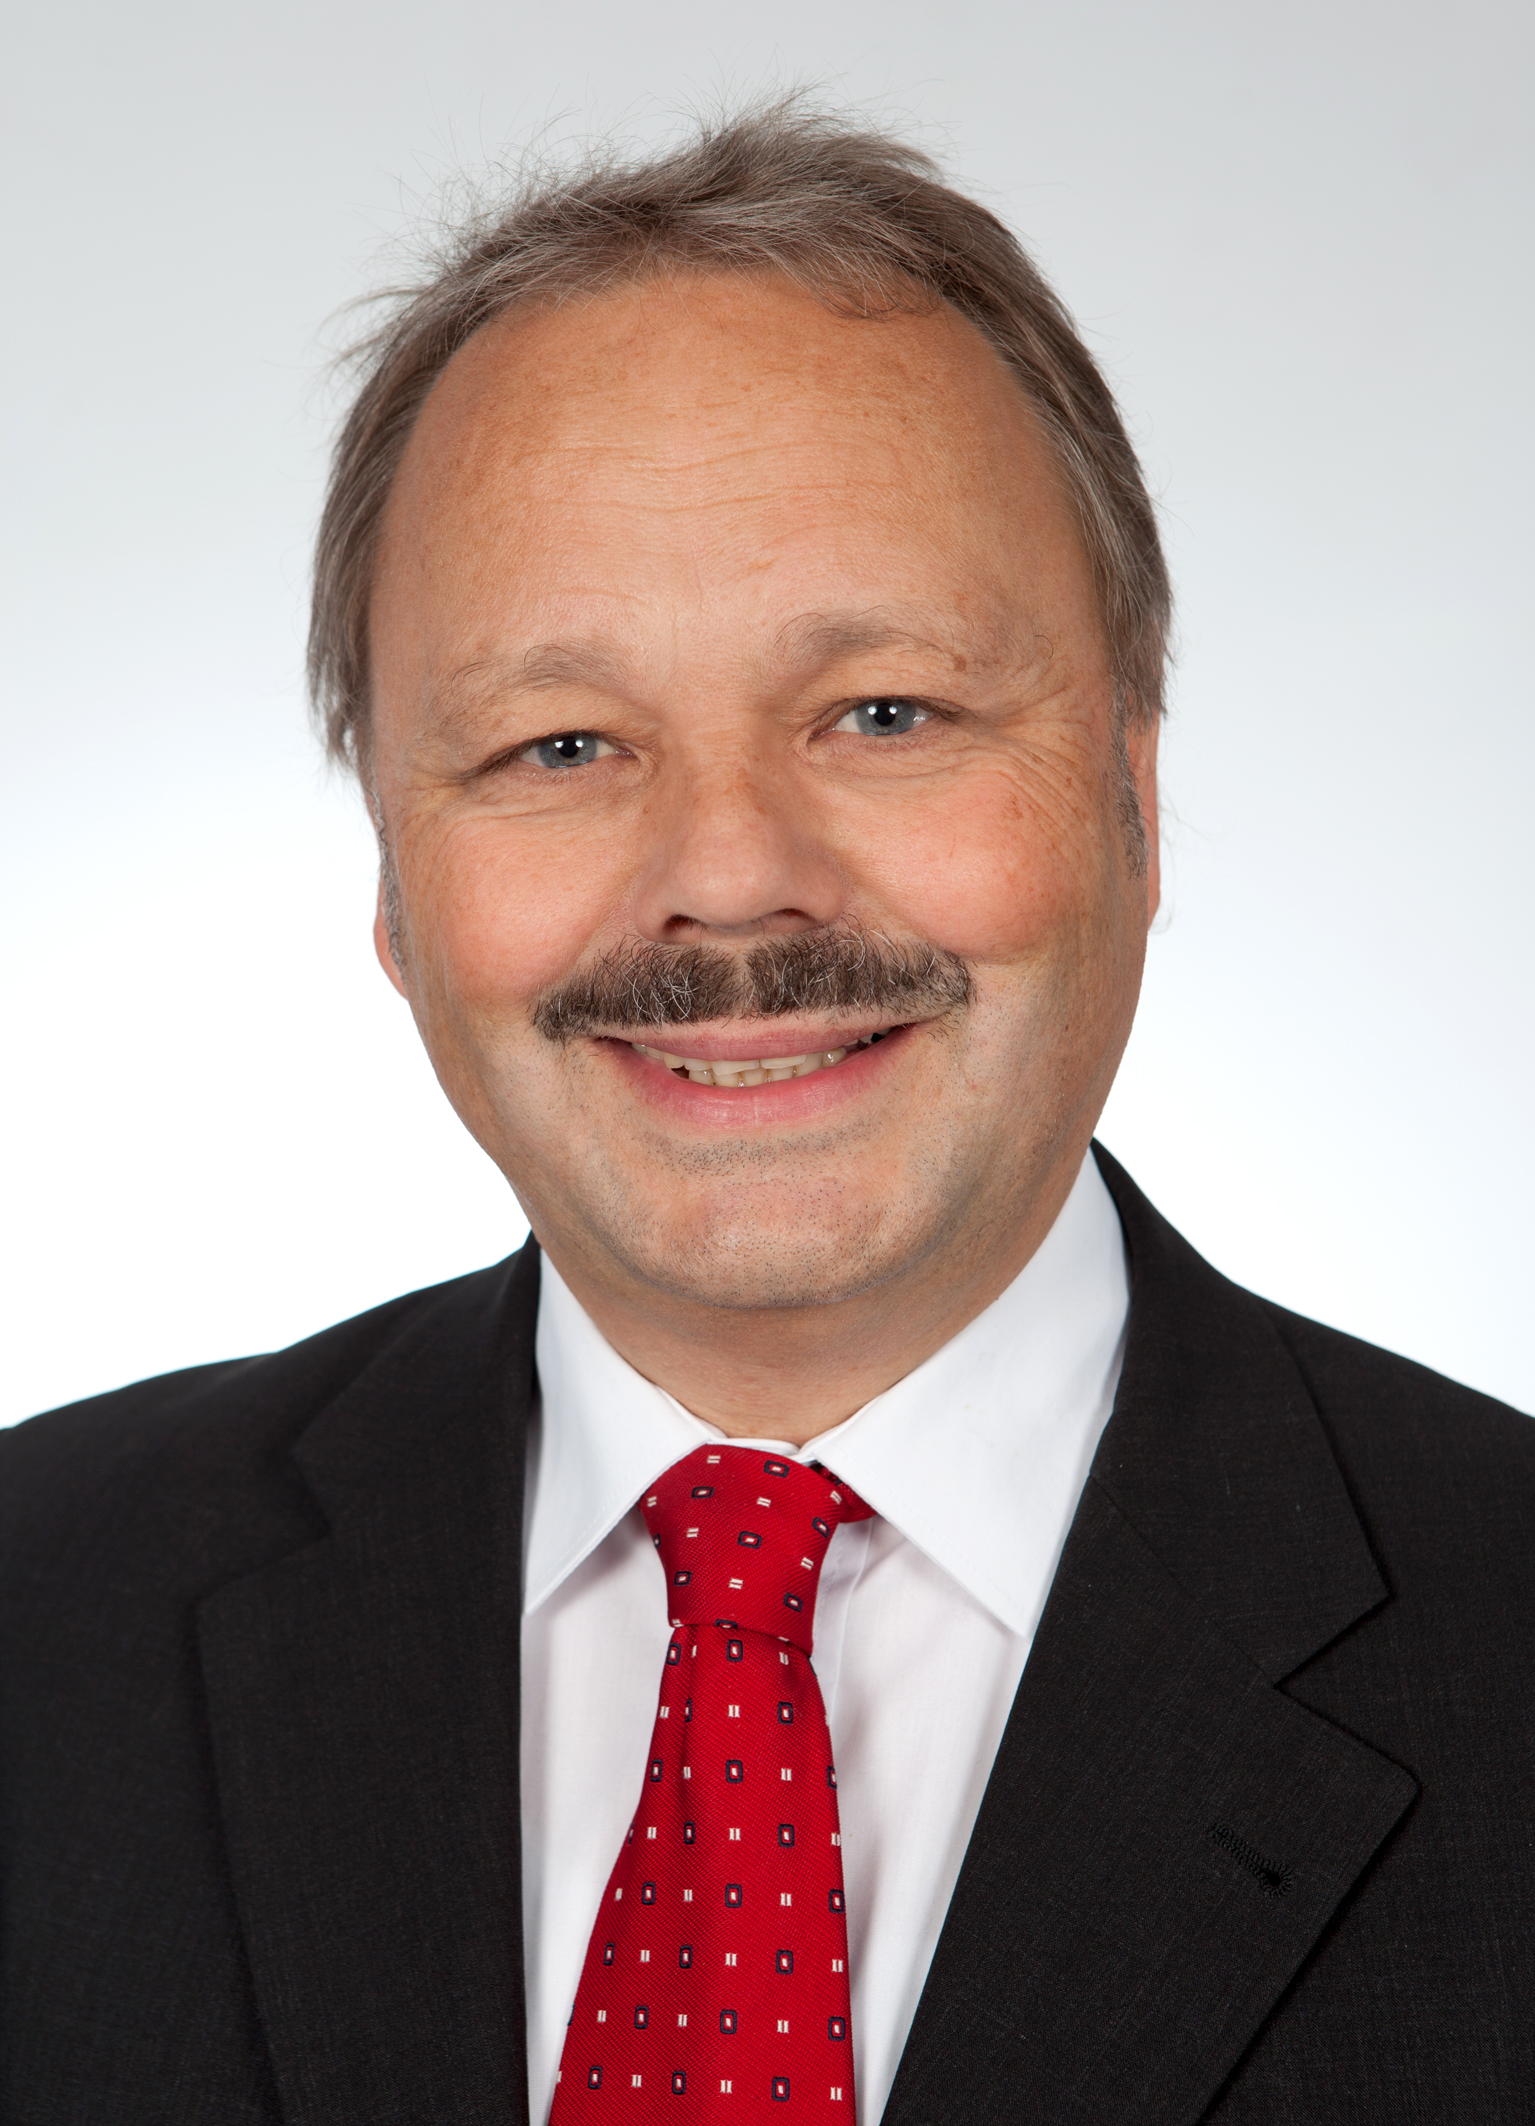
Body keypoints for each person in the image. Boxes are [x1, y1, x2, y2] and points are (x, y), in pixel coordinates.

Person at [2, 102, 1530, 2126]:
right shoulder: (37, 1616)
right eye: (561, 743)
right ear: (390, 879)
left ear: (1135, 798)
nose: (730, 877)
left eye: (884, 712)